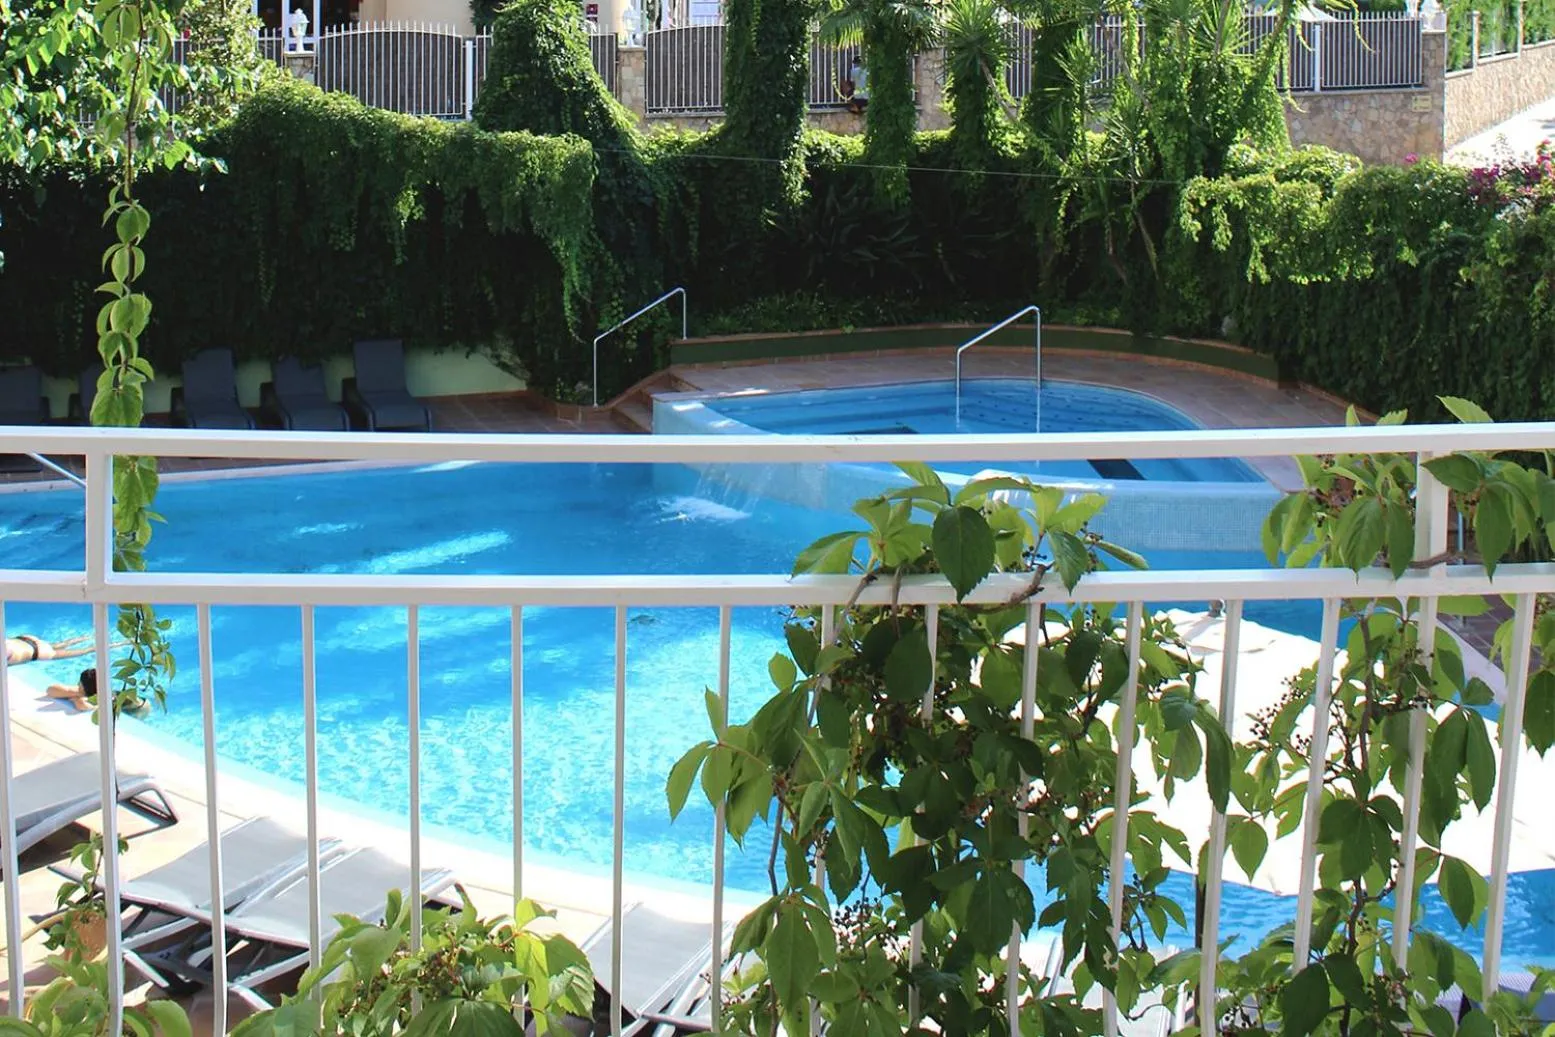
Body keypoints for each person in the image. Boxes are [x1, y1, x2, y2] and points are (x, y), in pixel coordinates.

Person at [4, 635, 103, 666]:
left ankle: (105, 646)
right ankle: (86, 637)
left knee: (83, 651)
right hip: (24, 638)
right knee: (62, 644)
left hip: (39, 652)